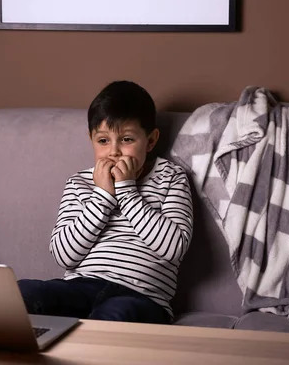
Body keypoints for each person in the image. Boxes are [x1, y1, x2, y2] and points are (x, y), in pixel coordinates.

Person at [18, 80, 193, 324]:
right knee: (20, 293)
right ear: (91, 139)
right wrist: (102, 197)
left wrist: (126, 191)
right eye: (103, 141)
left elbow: (173, 249)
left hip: (141, 297)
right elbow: (64, 256)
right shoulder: (79, 183)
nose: (114, 151)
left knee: (114, 315)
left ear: (151, 141)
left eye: (127, 139)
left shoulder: (170, 177)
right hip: (81, 287)